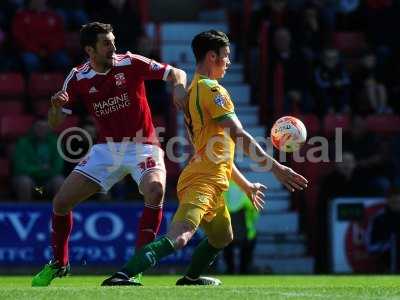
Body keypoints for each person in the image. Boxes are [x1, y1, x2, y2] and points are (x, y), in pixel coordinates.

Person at [102, 30, 307, 286]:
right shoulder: (212, 91)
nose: (229, 61)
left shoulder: (194, 91)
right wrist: (275, 167)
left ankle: (190, 278)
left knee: (222, 236)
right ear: (212, 57)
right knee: (181, 235)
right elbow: (239, 134)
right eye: (226, 56)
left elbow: (218, 152)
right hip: (202, 180)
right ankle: (123, 274)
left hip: (212, 177)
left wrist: (245, 186)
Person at [31, 22, 187, 286]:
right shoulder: (77, 77)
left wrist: (180, 87)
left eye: (113, 41)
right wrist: (55, 107)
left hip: (143, 145)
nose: (113, 47)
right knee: (60, 203)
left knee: (156, 190)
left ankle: (136, 266)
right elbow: (55, 121)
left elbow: (177, 73)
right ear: (89, 50)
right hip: (107, 150)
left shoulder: (130, 62)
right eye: (106, 43)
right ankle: (59, 264)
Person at [12, 117, 64, 202]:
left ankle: (58, 213)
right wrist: (41, 169)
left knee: (59, 181)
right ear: (33, 128)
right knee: (24, 182)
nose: (42, 130)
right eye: (39, 127)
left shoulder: (56, 143)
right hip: (30, 182)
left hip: (47, 183)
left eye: (45, 127)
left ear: (49, 129)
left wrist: (43, 171)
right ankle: (27, 212)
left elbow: (57, 168)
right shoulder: (23, 143)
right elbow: (20, 168)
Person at [223, 180, 259, 274]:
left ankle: (230, 270)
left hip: (227, 233)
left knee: (225, 246)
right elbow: (254, 212)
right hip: (247, 232)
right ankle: (244, 270)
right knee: (245, 265)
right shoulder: (246, 187)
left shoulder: (222, 189)